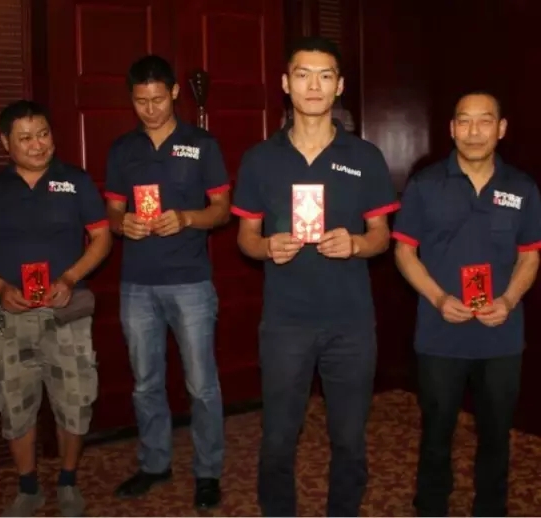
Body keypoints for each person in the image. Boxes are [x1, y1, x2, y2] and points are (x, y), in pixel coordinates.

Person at [231, 36, 399, 517]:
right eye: (303, 74)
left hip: (351, 323)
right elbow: (245, 237)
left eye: (325, 76)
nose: (313, 85)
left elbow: (382, 236)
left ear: (339, 86)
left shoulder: (365, 156)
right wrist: (267, 246)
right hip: (286, 322)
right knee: (278, 437)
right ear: (286, 83)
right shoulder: (260, 159)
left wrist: (356, 244)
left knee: (349, 438)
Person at [0, 100, 112, 517]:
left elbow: (101, 239)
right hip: (8, 315)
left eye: (43, 134)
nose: (37, 144)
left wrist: (70, 278)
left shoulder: (76, 181)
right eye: (25, 137)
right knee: (15, 403)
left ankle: (68, 481)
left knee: (75, 400)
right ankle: (28, 488)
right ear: (5, 143)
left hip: (67, 312)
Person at [392, 91, 541, 517]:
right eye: (465, 121)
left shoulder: (522, 187)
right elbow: (404, 252)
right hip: (440, 333)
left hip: (501, 335)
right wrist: (439, 297)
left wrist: (509, 299)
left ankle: (490, 509)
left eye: (485, 121)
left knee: (496, 435)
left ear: (501, 128)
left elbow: (530, 256)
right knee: (436, 433)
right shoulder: (425, 185)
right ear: (452, 128)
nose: (474, 131)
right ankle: (431, 507)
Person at [105, 55, 230, 509]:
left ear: (175, 93)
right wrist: (123, 224)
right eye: (141, 101)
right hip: (137, 284)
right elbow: (112, 211)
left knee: (202, 384)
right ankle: (155, 463)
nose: (151, 109)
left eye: (158, 99)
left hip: (190, 282)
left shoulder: (201, 144)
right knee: (145, 382)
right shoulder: (123, 149)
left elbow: (222, 209)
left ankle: (208, 471)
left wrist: (187, 218)